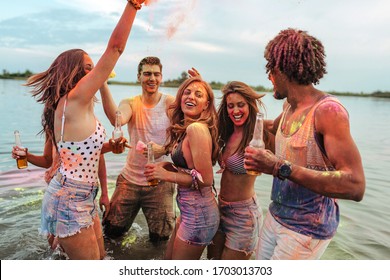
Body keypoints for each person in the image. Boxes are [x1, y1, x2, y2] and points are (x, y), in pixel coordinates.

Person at [23, 0, 146, 260]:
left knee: (101, 260)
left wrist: (109, 147)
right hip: (69, 197)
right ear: (74, 71)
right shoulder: (75, 99)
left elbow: (81, 152)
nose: (96, 73)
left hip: (84, 195)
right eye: (89, 68)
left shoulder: (80, 105)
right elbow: (115, 48)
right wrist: (133, 6)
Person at [243, 28, 366, 260]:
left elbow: (355, 185)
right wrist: (230, 117)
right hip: (277, 215)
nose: (269, 76)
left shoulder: (328, 112)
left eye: (270, 68)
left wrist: (278, 167)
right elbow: (271, 129)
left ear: (281, 69)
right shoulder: (290, 106)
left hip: (306, 230)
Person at [100, 56, 176, 243]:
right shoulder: (130, 102)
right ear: (139, 77)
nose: (152, 78)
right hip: (129, 180)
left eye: (156, 74)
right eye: (147, 74)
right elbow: (117, 119)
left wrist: (164, 149)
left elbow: (183, 136)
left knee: (161, 240)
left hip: (161, 181)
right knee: (110, 234)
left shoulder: (170, 103)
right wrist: (102, 83)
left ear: (161, 77)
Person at [144, 76, 220, 260]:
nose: (191, 97)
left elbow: (205, 180)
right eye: (187, 92)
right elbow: (189, 169)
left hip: (199, 215)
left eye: (198, 94)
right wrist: (168, 166)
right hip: (188, 211)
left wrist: (165, 175)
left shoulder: (196, 129)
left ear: (206, 105)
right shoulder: (184, 129)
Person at [206, 81, 273, 260]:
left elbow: (286, 130)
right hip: (220, 209)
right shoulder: (225, 131)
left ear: (250, 105)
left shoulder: (259, 133)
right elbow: (207, 114)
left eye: (241, 105)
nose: (235, 111)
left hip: (244, 217)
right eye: (230, 106)